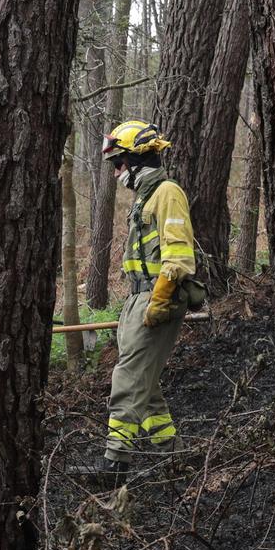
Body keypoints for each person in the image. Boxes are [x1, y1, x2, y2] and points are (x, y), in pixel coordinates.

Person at [87, 120, 200, 484]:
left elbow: (179, 256)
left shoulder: (167, 192)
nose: (117, 172)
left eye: (119, 163)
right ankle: (172, 455)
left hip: (156, 297)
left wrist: (161, 299)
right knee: (146, 383)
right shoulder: (145, 197)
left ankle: (114, 463)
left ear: (138, 160)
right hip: (137, 298)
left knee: (129, 376)